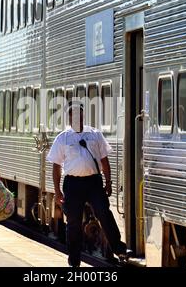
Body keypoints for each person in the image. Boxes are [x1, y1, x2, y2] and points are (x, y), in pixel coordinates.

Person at [47, 101, 128, 267]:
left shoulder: (95, 134)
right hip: (72, 184)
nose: (76, 117)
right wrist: (57, 190)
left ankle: (119, 249)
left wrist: (108, 181)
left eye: (79, 114)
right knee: (73, 222)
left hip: (93, 182)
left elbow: (104, 160)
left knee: (103, 212)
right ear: (69, 117)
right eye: (73, 114)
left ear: (83, 115)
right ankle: (74, 261)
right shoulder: (62, 138)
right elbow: (56, 166)